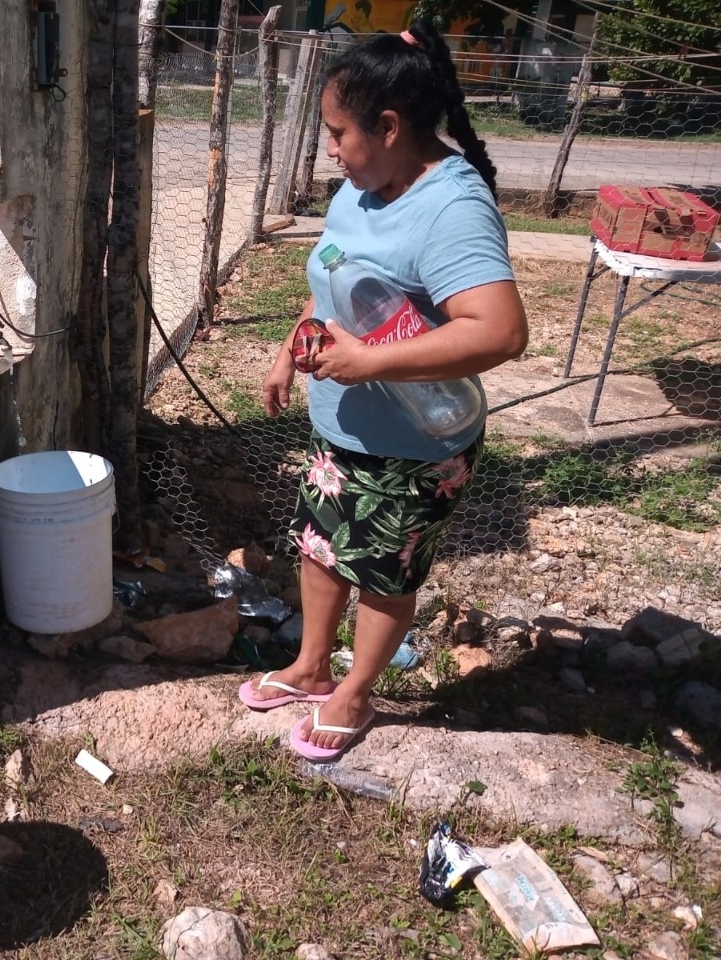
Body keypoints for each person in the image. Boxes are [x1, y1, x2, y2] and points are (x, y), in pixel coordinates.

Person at [238, 20, 529, 761]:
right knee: (320, 547)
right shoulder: (360, 189)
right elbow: (330, 278)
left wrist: (369, 363)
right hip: (343, 433)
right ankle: (310, 666)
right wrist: (285, 355)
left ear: (390, 126)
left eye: (338, 132)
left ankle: (357, 691)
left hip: (415, 444)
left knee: (382, 572)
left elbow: (499, 330)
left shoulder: (451, 207)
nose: (330, 149)